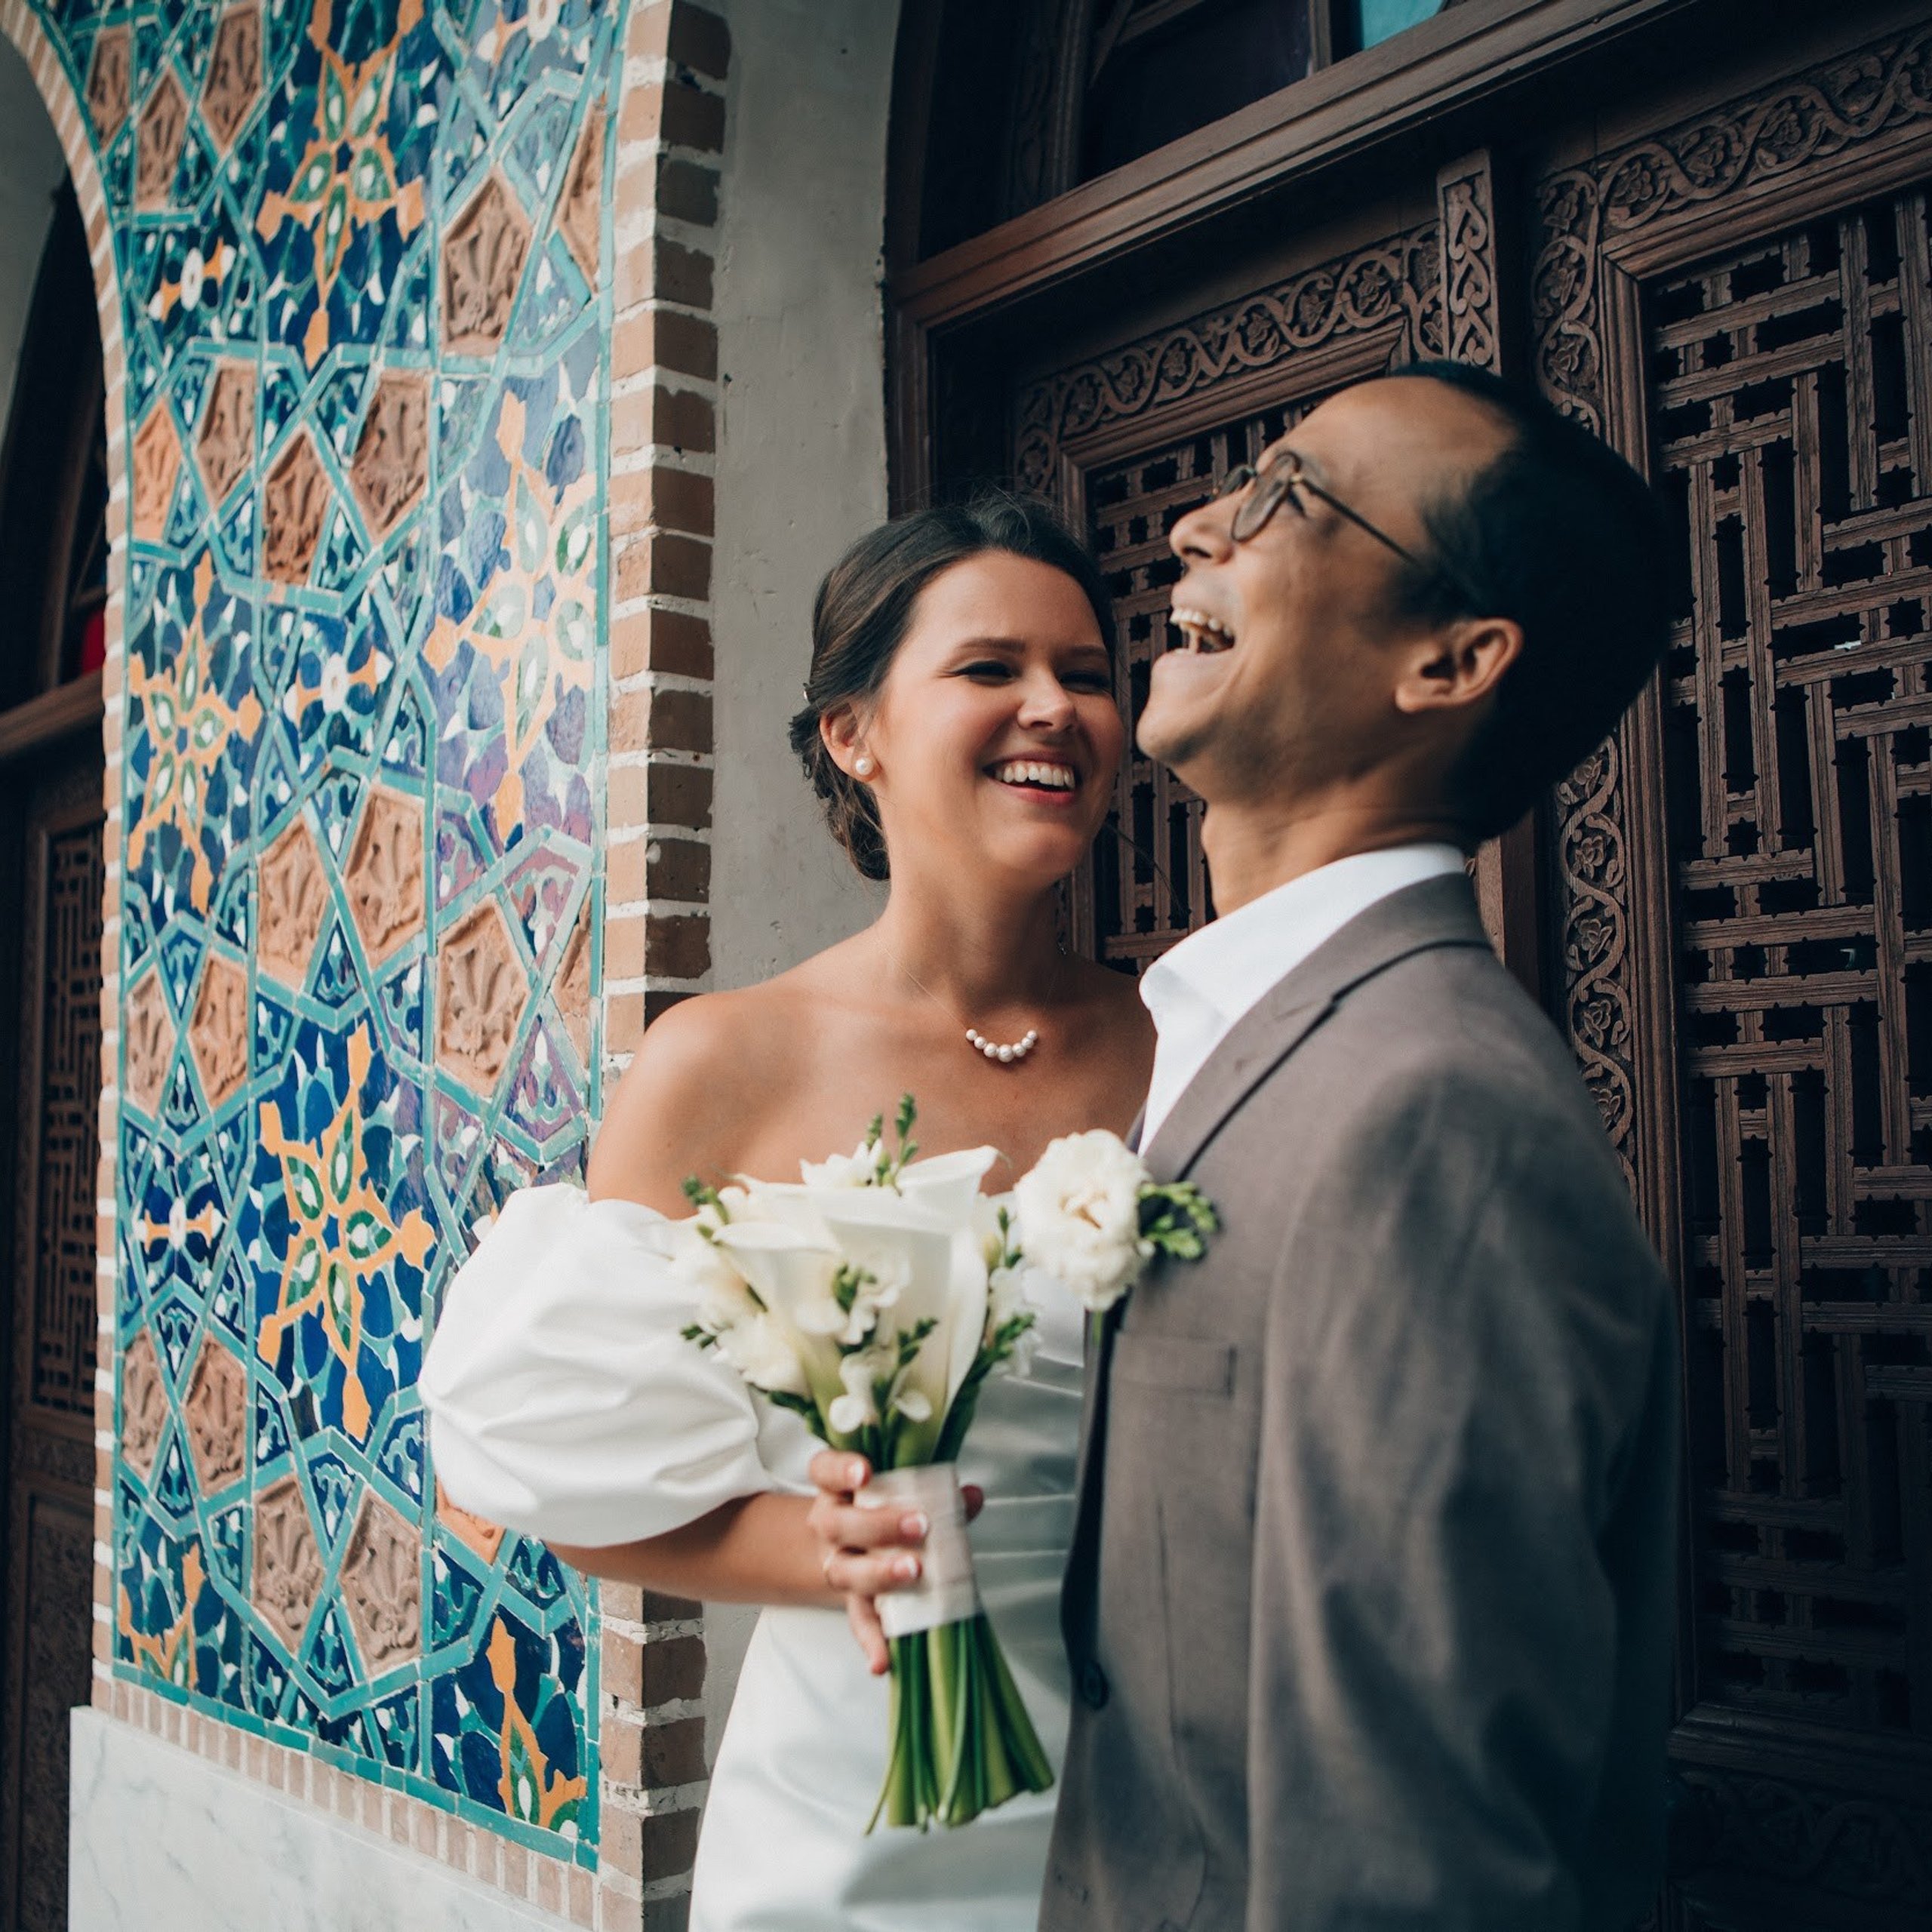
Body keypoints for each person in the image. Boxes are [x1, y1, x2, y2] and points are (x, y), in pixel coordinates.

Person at [815, 362, 1683, 1930]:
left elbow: (1413, 1856)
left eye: (1289, 494)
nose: (1200, 525)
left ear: (1451, 658)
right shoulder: (1226, 1036)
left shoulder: (1432, 1113)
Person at [420, 492, 1153, 1932]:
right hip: (860, 1803)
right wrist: (809, 1551)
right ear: (854, 733)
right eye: (991, 669)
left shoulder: (1184, 1038)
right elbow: (540, 1472)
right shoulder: (727, 1062)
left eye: (1089, 673)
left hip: (1159, 1776)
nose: (1056, 709)